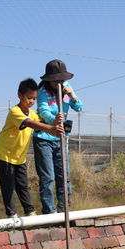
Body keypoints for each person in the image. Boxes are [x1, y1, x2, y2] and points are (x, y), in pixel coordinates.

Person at [0, 78, 64, 218]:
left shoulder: (32, 113)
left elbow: (40, 123)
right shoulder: (15, 112)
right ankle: (11, 214)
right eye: (29, 98)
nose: (31, 101)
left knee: (22, 185)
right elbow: (30, 124)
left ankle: (29, 211)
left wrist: (55, 121)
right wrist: (51, 128)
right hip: (5, 155)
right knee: (8, 186)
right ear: (20, 95)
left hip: (20, 157)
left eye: (34, 98)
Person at [33, 59, 83, 214]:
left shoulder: (66, 90)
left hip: (61, 138)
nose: (59, 82)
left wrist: (72, 96)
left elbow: (79, 107)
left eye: (62, 79)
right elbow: (43, 111)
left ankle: (64, 209)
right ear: (49, 80)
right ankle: (49, 212)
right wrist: (53, 121)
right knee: (48, 178)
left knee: (64, 176)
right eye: (56, 80)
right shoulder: (43, 92)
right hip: (44, 138)